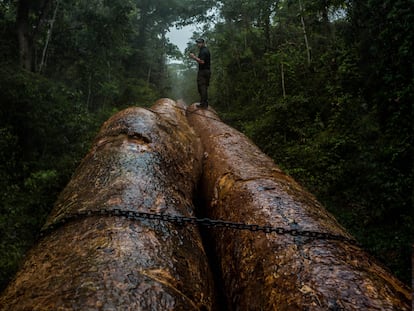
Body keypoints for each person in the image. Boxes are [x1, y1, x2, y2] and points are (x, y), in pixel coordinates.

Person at [189, 38, 211, 108]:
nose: (198, 44)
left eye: (199, 43)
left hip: (203, 71)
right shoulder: (204, 50)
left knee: (202, 87)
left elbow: (202, 61)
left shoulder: (203, 51)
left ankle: (203, 104)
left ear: (203, 43)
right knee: (203, 87)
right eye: (197, 43)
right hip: (207, 71)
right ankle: (205, 103)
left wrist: (194, 57)